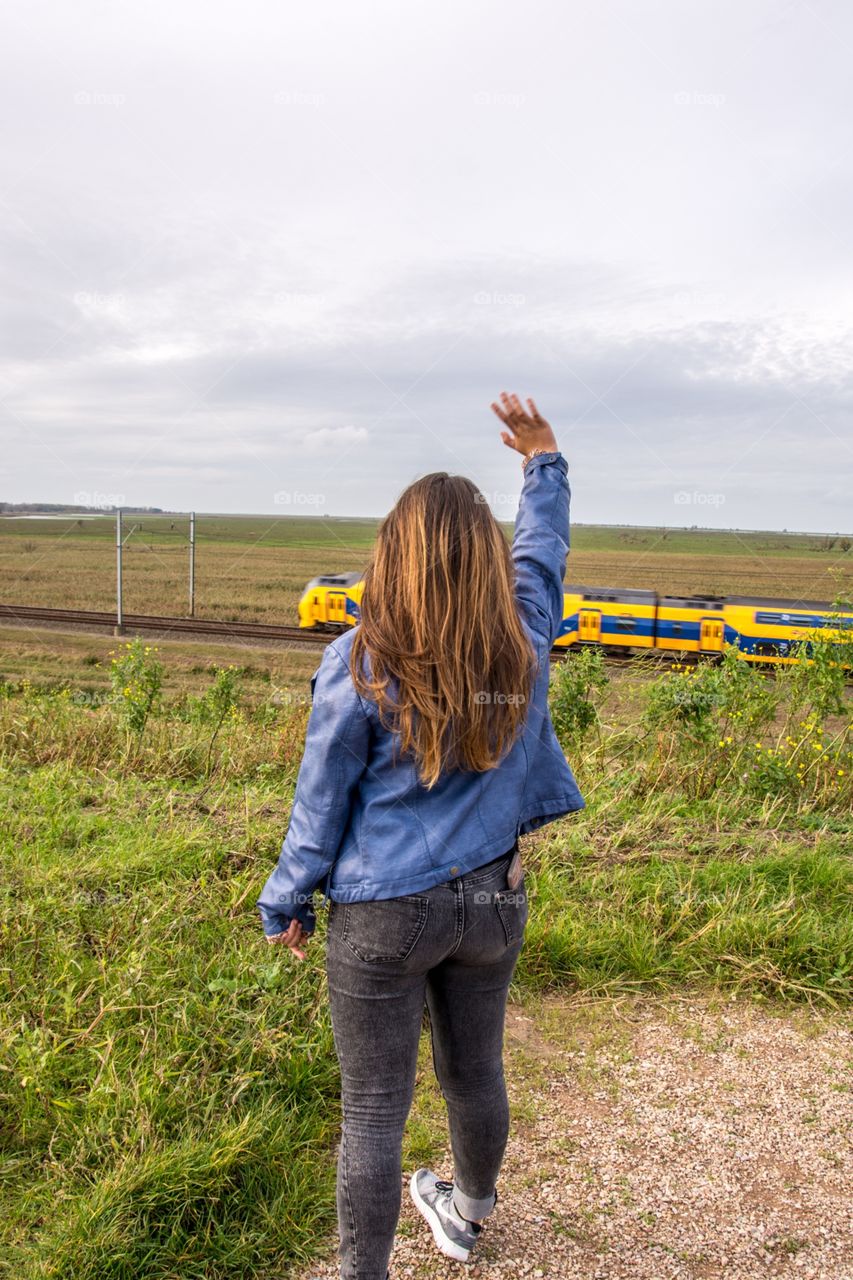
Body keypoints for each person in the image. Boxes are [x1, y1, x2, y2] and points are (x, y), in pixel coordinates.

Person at [256, 391, 585, 1280]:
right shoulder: (522, 633)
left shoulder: (359, 660)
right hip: (491, 900)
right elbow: (542, 548)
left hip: (381, 912)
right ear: (484, 560)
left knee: (372, 1110)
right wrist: (541, 460)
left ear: (390, 558)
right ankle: (468, 1214)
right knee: (474, 1072)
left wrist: (286, 899)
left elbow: (318, 804)